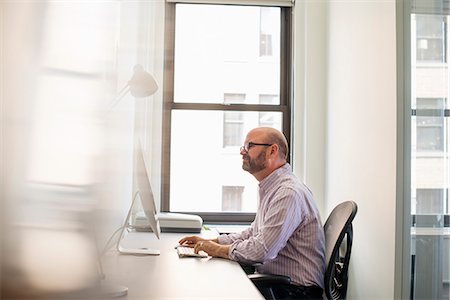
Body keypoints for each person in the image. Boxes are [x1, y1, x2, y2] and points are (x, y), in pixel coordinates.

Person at [179, 127, 325, 300]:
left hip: (295, 292)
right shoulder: (272, 188)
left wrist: (217, 249)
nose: (242, 151)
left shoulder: (288, 193)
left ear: (272, 150)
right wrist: (211, 241)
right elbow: (253, 233)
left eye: (249, 146)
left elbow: (262, 250)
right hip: (281, 285)